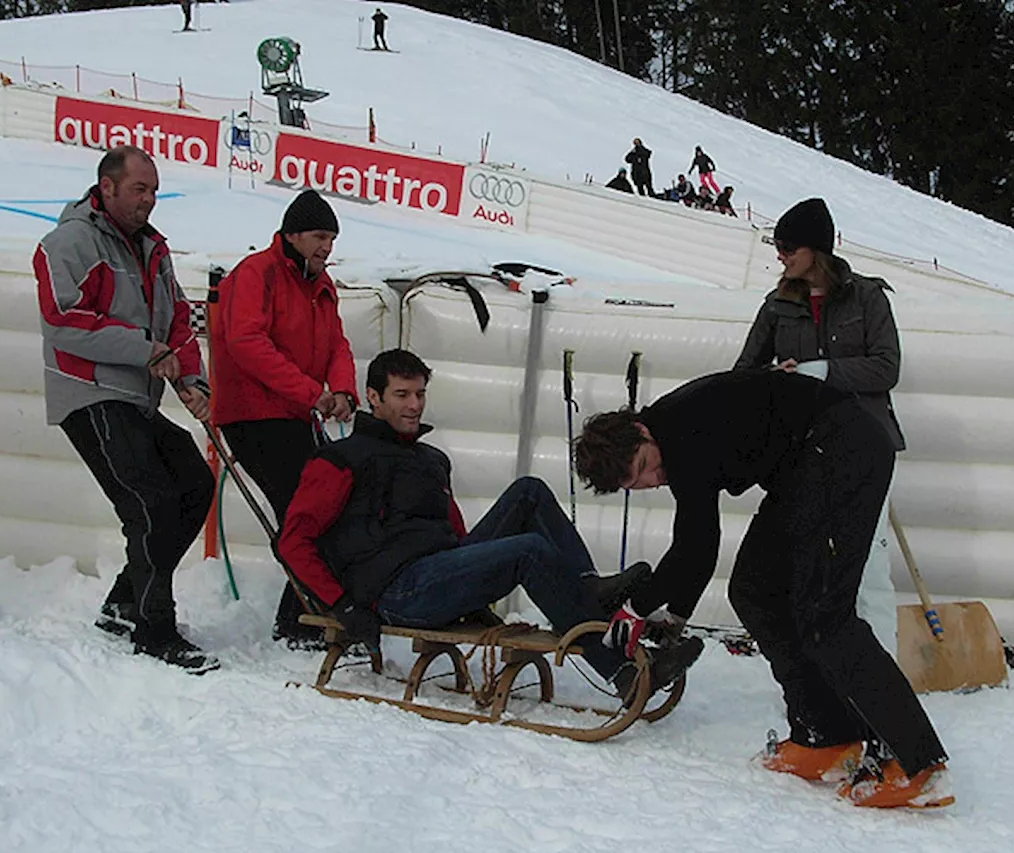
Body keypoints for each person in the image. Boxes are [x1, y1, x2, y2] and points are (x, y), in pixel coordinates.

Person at [573, 369, 952, 809]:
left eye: (645, 465)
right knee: (756, 588)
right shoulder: (670, 437)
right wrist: (672, 614)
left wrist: (636, 610)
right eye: (639, 484)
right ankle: (824, 735)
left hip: (843, 447)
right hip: (805, 464)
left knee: (826, 616)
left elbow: (695, 547)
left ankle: (916, 762)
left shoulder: (681, 432)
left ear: (640, 430)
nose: (654, 478)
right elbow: (697, 545)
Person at [276, 349, 704, 699]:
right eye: (402, 395)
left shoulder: (429, 459)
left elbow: (455, 533)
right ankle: (621, 674)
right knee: (527, 551)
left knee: (529, 490)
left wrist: (472, 578)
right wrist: (341, 606)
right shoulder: (341, 459)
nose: (414, 405)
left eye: (420, 394)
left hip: (439, 570)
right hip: (396, 591)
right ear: (373, 397)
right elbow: (293, 541)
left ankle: (589, 588)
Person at [33, 145, 217, 674]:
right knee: (149, 503)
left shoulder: (153, 250)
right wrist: (146, 350)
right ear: (107, 186)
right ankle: (154, 628)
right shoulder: (67, 242)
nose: (150, 200)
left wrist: (192, 379)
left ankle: (123, 601)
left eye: (155, 190)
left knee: (194, 484)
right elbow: (62, 320)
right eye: (140, 189)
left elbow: (179, 320)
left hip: (139, 395)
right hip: (88, 390)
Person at [733, 198, 904, 660]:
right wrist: (777, 383)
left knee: (868, 570)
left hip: (866, 452)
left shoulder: (868, 297)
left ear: (817, 249)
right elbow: (744, 375)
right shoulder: (776, 305)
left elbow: (887, 368)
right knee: (805, 567)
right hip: (804, 454)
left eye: (788, 246)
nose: (780, 255)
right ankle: (817, 673)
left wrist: (820, 371)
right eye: (777, 245)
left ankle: (883, 682)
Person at [211, 188, 359, 649]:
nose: (327, 248)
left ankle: (302, 613)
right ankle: (301, 617)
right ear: (292, 235)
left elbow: (337, 344)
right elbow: (247, 343)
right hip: (253, 415)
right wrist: (313, 392)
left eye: (331, 239)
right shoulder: (256, 274)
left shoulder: (321, 284)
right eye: (319, 237)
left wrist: (343, 391)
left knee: (312, 508)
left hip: (295, 415)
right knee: (303, 510)